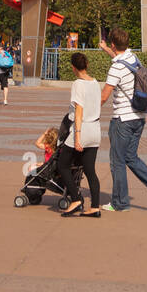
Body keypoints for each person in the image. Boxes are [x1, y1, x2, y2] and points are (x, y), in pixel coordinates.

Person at [100, 28, 147, 212]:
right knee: (130, 157)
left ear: (114, 44)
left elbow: (104, 96)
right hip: (139, 117)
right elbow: (119, 60)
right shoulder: (133, 58)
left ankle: (120, 202)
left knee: (117, 161)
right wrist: (106, 49)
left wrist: (88, 108)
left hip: (122, 120)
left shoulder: (116, 68)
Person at [60, 51, 103, 218]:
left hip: (82, 128)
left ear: (73, 68)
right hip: (95, 129)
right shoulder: (95, 82)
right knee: (90, 170)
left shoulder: (78, 84)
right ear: (87, 65)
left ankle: (76, 199)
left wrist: (77, 136)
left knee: (63, 165)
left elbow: (79, 111)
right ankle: (95, 207)